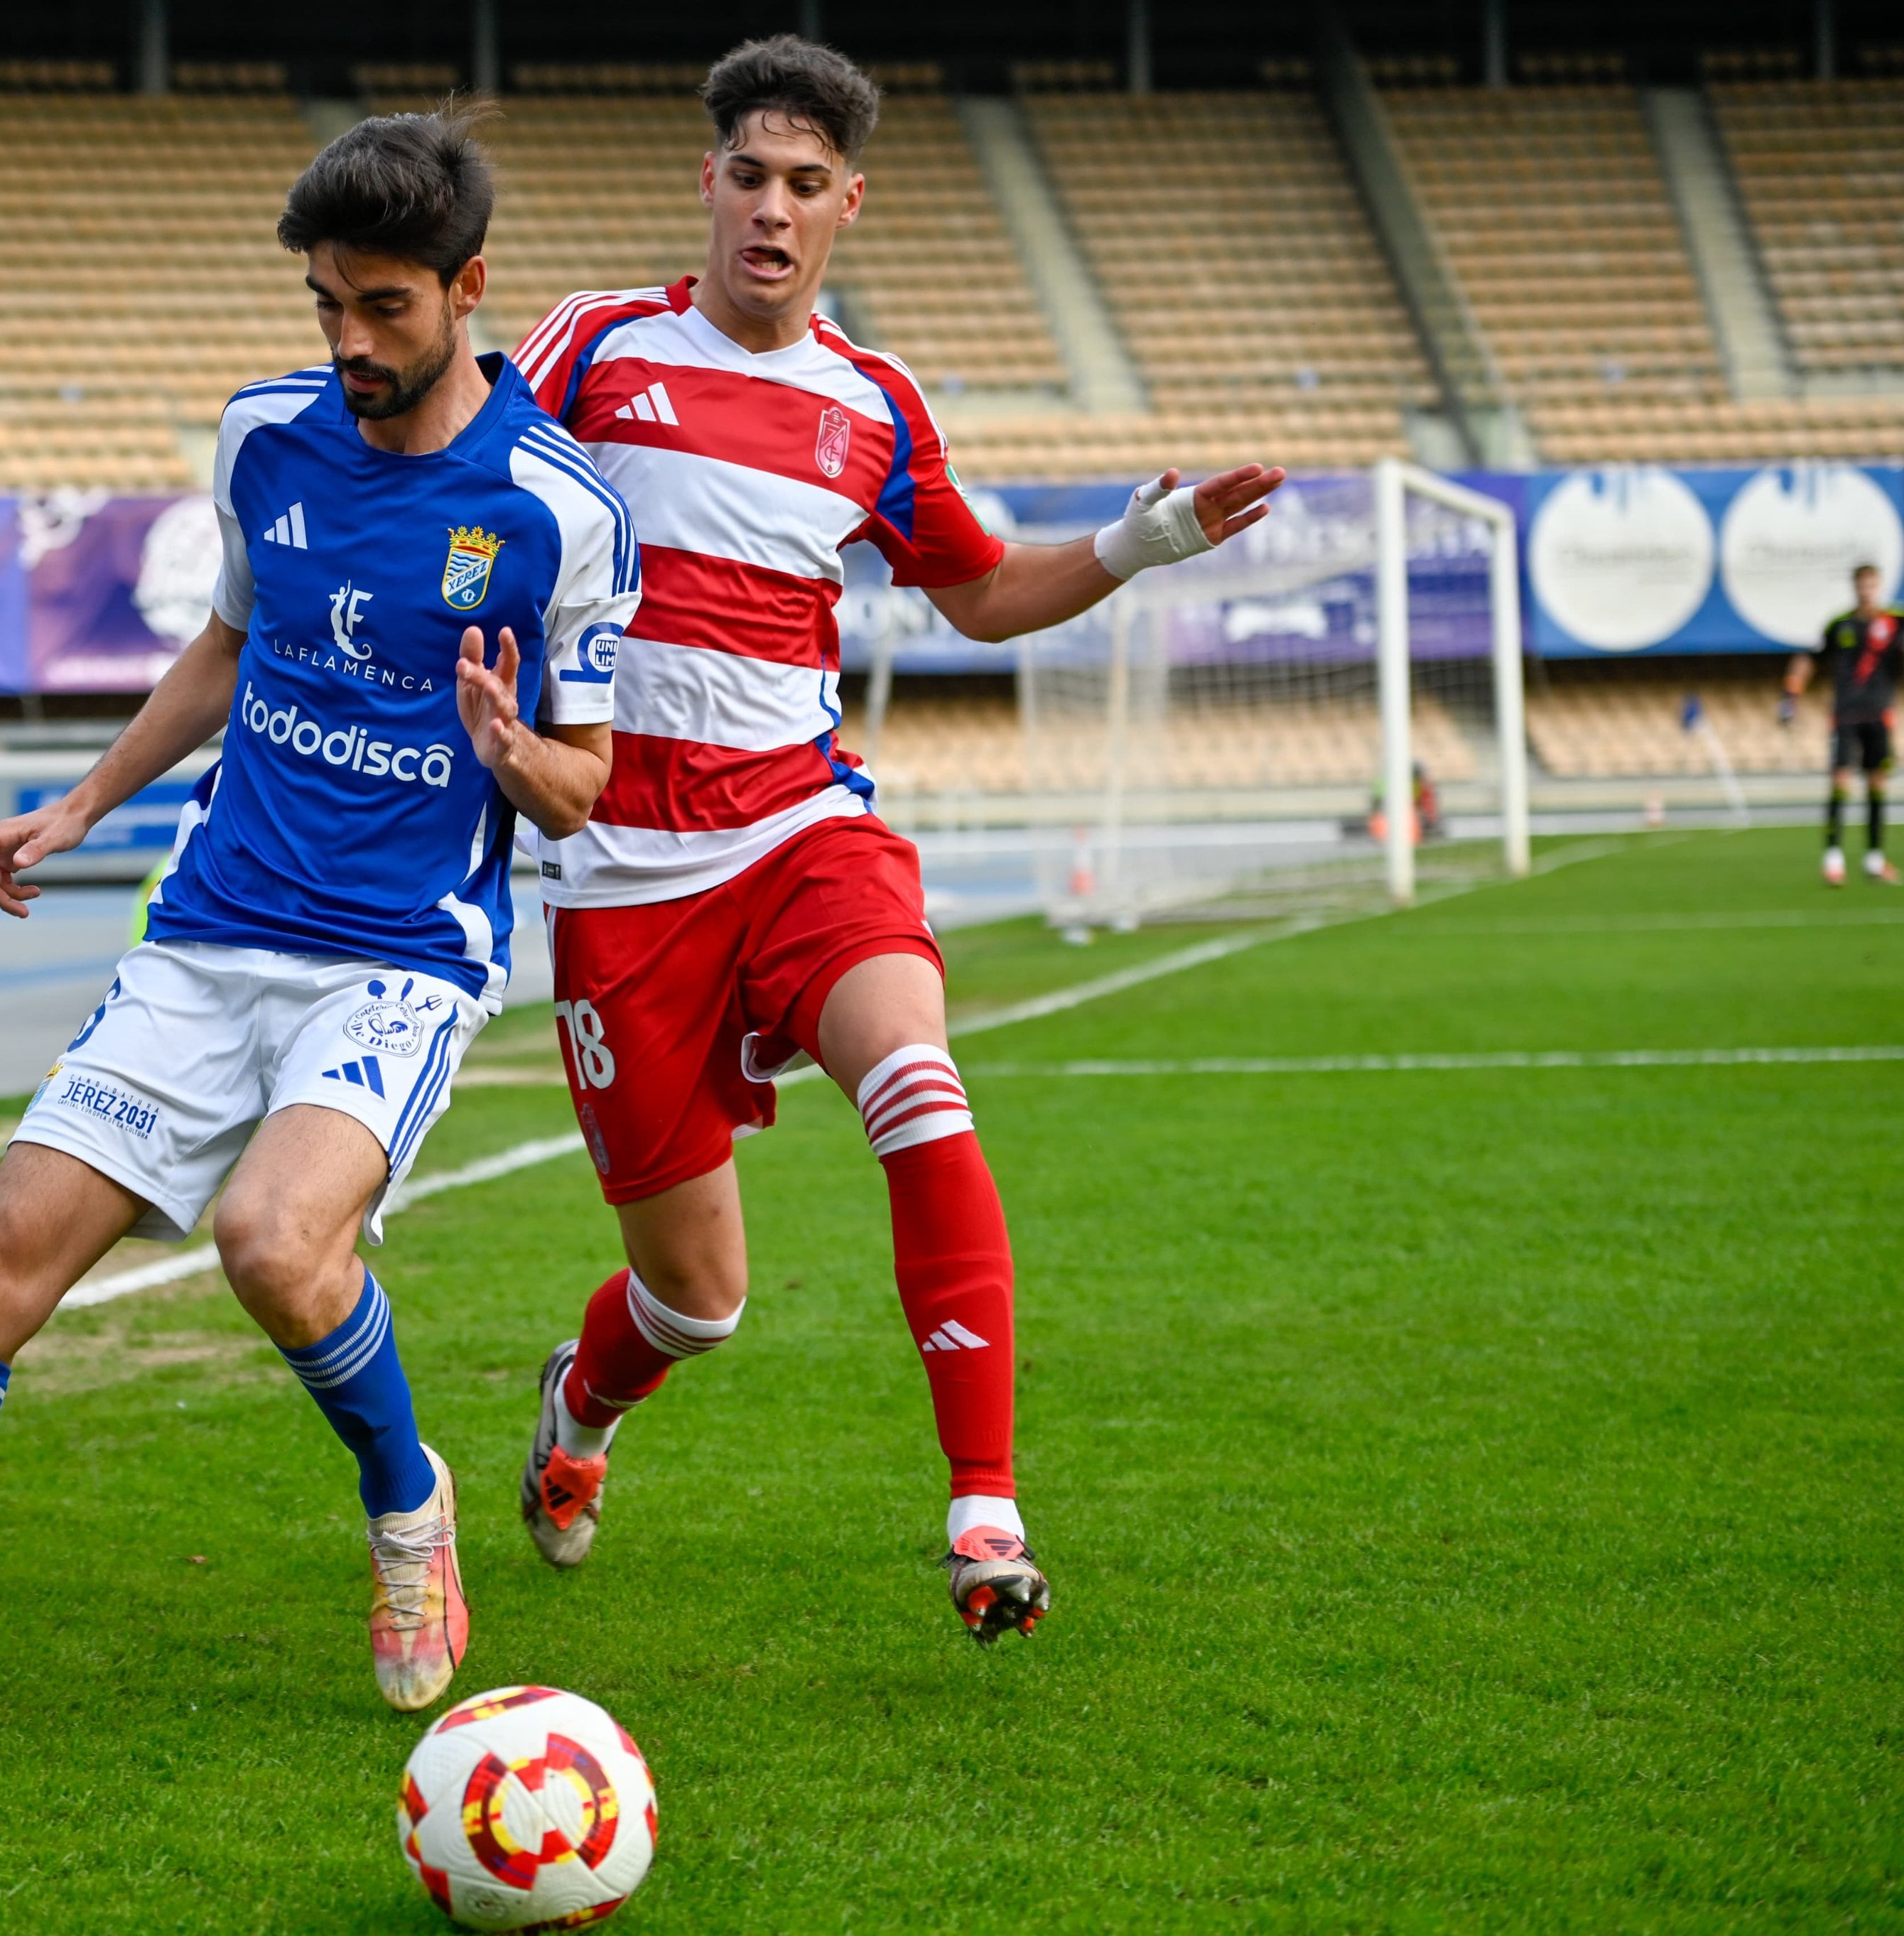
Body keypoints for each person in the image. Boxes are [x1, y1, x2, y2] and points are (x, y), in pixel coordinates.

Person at [0, 107, 637, 1771]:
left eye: (385, 309)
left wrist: (522, 761)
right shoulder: (262, 439)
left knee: (274, 1244)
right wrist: (79, 807)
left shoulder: (553, 510)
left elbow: (586, 781)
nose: (350, 343)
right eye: (325, 307)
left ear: (466, 289)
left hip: (398, 957)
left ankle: (404, 1493)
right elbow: (228, 641)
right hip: (210, 929)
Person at [506, 37, 1284, 1643]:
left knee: (921, 1092)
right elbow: (468, 493)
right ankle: (582, 1406)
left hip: (803, 826)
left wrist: (1142, 540)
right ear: (705, 184)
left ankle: (984, 1512)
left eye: (805, 186)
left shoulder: (874, 400)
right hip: (622, 876)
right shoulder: (588, 347)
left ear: (847, 205)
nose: (771, 211)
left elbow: (981, 593)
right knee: (694, 1303)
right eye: (748, 177)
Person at [1784, 563, 1904, 887]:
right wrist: (1791, 695)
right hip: (1846, 716)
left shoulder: (1894, 619)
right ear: (1855, 588)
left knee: (1877, 785)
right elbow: (1808, 659)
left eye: (1871, 586)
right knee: (1840, 782)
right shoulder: (1840, 625)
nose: (1866, 591)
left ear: (1879, 587)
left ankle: (1874, 860)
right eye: (1862, 586)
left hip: (1880, 714)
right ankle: (1833, 859)